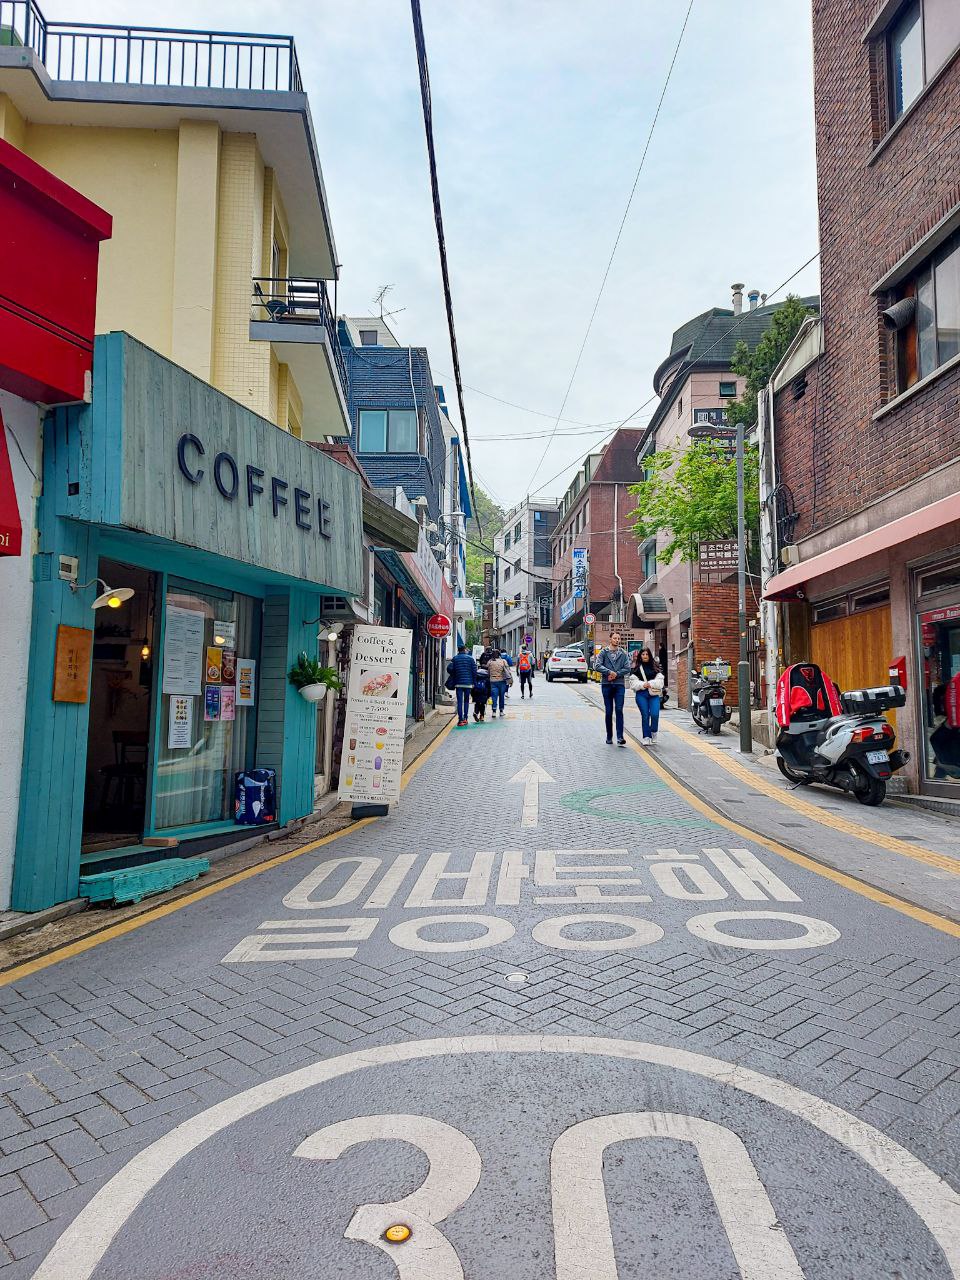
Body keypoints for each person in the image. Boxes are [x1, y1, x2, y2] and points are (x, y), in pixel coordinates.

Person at [595, 631, 630, 745]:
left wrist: (616, 674)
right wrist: (609, 672)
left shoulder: (623, 653)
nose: (617, 640)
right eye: (615, 638)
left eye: (618, 638)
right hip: (606, 684)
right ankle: (609, 736)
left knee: (619, 710)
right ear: (610, 639)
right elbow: (597, 665)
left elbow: (627, 668)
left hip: (619, 684)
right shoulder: (603, 652)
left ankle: (620, 737)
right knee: (609, 711)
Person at [631, 645, 663, 745]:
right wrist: (642, 685)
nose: (645, 656)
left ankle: (653, 732)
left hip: (653, 694)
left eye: (647, 654)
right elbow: (633, 684)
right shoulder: (636, 669)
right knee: (645, 715)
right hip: (641, 694)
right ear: (640, 656)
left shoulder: (655, 667)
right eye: (643, 654)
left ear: (649, 656)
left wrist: (651, 683)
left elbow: (660, 681)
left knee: (654, 714)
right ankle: (646, 736)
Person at [446, 644, 478, 727]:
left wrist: (455, 674)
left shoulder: (455, 659)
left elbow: (449, 668)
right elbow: (474, 672)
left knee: (459, 701)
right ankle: (466, 718)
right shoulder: (470, 659)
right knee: (466, 701)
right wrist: (474, 683)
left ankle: (460, 719)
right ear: (464, 650)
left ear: (458, 650)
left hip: (458, 683)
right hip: (468, 683)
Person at [486, 649, 512, 718]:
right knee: (501, 696)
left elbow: (487, 671)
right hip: (502, 681)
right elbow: (508, 671)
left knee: (494, 697)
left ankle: (494, 711)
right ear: (499, 655)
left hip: (493, 681)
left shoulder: (490, 662)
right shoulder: (503, 661)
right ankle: (501, 711)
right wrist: (510, 681)